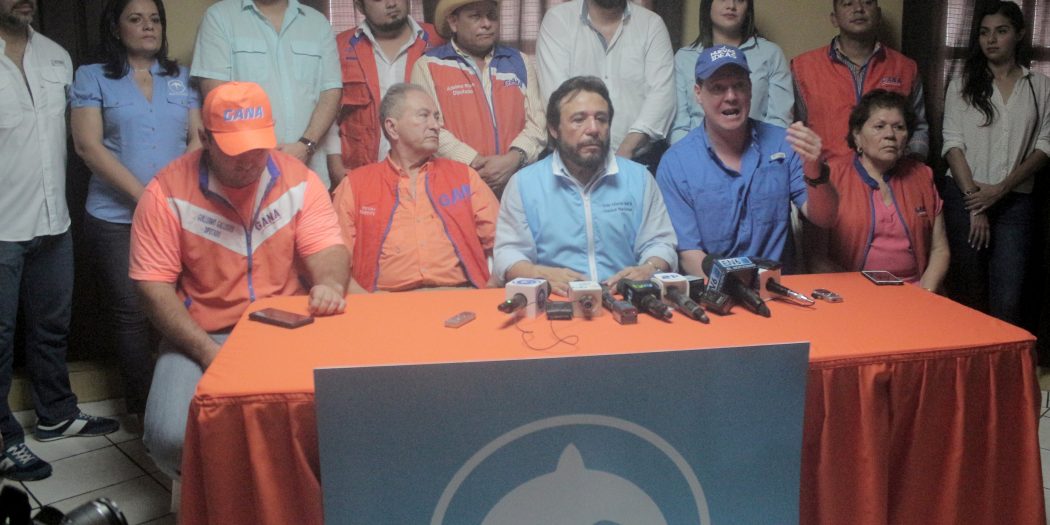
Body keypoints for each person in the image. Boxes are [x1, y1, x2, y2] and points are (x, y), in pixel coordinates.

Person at [130, 82, 349, 478]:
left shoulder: (299, 180)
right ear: (205, 140)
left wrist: (329, 284)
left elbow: (328, 250)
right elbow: (151, 288)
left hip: (287, 323)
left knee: (338, 421)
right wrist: (205, 352)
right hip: (202, 331)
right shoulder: (165, 192)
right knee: (170, 439)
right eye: (235, 151)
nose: (249, 161)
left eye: (258, 148)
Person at [0, 0, 119, 482]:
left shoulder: (56, 56)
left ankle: (56, 414)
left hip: (54, 222)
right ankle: (5, 439)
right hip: (1, 226)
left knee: (52, 328)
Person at [69, 0, 201, 423]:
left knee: (177, 309)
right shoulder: (92, 77)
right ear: (115, 28)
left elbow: (198, 140)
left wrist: (173, 199)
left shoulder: (181, 77)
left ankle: (180, 404)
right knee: (131, 312)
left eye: (155, 19)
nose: (148, 26)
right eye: (136, 19)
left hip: (177, 217)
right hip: (115, 220)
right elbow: (88, 146)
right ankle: (144, 413)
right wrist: (148, 198)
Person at [656, 45, 838, 277]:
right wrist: (733, 291)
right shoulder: (676, 163)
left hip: (778, 288)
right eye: (718, 88)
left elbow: (825, 218)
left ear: (750, 89)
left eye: (739, 85)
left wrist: (816, 171)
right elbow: (689, 254)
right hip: (714, 290)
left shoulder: (784, 143)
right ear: (698, 93)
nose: (731, 97)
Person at [494, 76, 677, 296]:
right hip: (556, 299)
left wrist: (649, 268)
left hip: (625, 298)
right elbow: (508, 253)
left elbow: (661, 243)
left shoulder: (639, 179)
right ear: (554, 129)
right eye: (578, 119)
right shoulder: (524, 184)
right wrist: (537, 273)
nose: (593, 129)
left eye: (601, 119)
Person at [942, 1, 1050, 325]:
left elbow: (1045, 145)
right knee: (967, 292)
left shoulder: (1039, 85)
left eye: (1001, 31)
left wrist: (1000, 190)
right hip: (965, 197)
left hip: (1015, 201)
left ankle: (1003, 356)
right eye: (984, 32)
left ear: (1019, 34)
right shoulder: (961, 83)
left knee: (1008, 297)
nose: (991, 40)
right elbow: (952, 144)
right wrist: (976, 203)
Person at [332, 83, 498, 292]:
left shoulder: (464, 177)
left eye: (436, 117)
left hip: (459, 295)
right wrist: (367, 303)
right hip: (382, 300)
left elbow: (505, 243)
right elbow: (333, 264)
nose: (436, 125)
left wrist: (489, 294)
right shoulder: (355, 186)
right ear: (392, 128)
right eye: (424, 116)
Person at [807, 90, 948, 290]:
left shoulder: (922, 176)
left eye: (899, 127)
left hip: (916, 292)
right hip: (853, 293)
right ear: (857, 136)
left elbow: (940, 250)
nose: (890, 135)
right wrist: (863, 296)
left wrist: (925, 293)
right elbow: (817, 259)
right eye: (879, 126)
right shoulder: (832, 177)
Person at [191, 0, 341, 187]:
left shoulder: (318, 23)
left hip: (309, 170)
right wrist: (259, 154)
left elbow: (331, 91)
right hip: (247, 171)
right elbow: (218, 99)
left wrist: (306, 145)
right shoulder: (219, 17)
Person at [411, 0, 546, 195]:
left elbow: (538, 123)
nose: (486, 24)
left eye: (491, 16)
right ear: (453, 22)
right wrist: (475, 163)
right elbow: (427, 127)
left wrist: (514, 158)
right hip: (455, 188)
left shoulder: (519, 61)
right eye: (475, 17)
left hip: (517, 185)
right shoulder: (428, 65)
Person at [536, 0, 674, 166]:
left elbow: (662, 96)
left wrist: (626, 151)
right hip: (571, 161)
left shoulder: (651, 25)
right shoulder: (558, 20)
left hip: (637, 160)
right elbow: (559, 100)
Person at [791, 0, 929, 164]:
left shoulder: (906, 68)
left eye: (867, 2)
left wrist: (911, 168)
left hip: (891, 174)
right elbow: (794, 131)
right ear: (834, 18)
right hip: (826, 175)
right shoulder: (804, 67)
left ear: (878, 15)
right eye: (848, 3)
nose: (858, 9)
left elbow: (918, 128)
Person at [325, 0, 443, 179]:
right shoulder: (340, 47)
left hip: (429, 173)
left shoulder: (438, 39)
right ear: (359, 6)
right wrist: (335, 164)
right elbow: (330, 112)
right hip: (362, 173)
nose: (391, 3)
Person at [671, 0, 791, 144]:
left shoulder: (770, 54)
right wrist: (696, 155)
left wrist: (757, 154)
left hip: (759, 152)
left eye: (739, 0)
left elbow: (780, 122)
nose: (731, 6)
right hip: (695, 152)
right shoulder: (684, 58)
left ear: (748, 8)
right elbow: (678, 127)